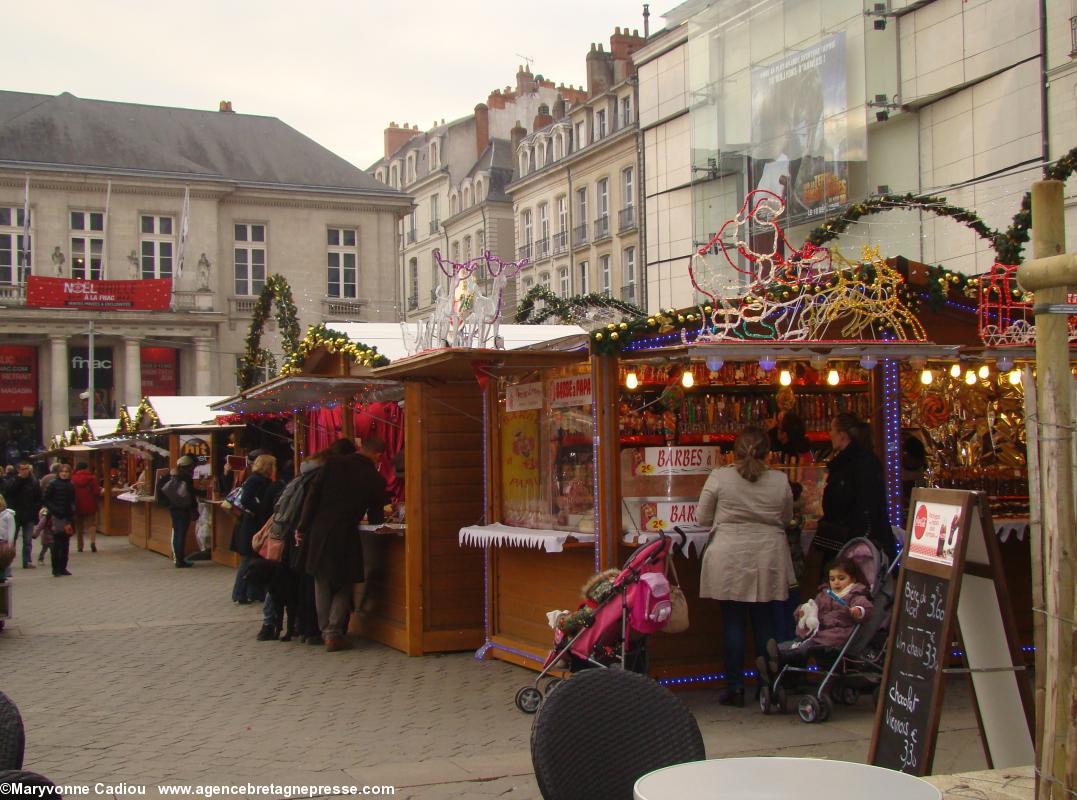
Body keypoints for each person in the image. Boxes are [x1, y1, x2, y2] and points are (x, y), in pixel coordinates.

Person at [696, 426, 795, 706]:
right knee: (765, 621)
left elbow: (702, 517)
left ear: (734, 451)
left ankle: (735, 686)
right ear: (768, 452)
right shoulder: (779, 480)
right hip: (767, 554)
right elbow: (787, 517)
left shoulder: (720, 477)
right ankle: (768, 683)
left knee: (733, 622)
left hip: (730, 555)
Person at [296, 436, 387, 652]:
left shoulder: (333, 464)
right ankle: (333, 633)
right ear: (378, 456)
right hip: (346, 534)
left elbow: (313, 496)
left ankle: (324, 628)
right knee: (344, 584)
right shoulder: (375, 479)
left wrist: (303, 526)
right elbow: (376, 518)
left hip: (320, 531)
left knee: (322, 581)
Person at [761, 556, 874, 676]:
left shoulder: (855, 595)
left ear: (853, 579)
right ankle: (775, 657)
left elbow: (866, 608)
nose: (836, 582)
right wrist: (803, 612)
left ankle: (779, 659)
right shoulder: (824, 595)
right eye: (832, 579)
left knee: (807, 647)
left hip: (837, 635)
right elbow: (813, 607)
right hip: (819, 632)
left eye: (841, 578)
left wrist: (858, 611)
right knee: (797, 642)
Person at [815, 413, 894, 560]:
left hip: (855, 541)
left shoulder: (857, 464)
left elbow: (862, 504)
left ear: (842, 435)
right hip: (852, 538)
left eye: (832, 430)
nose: (829, 434)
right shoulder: (858, 461)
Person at [229, 454, 281, 603]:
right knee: (248, 560)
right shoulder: (256, 480)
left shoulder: (257, 479)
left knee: (252, 559)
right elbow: (246, 500)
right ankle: (240, 593)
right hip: (252, 525)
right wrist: (260, 510)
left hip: (252, 525)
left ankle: (251, 592)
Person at [164, 456, 201, 568]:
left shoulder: (172, 475)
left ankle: (178, 559)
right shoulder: (186, 477)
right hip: (183, 509)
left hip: (173, 508)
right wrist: (194, 509)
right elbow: (190, 495)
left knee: (177, 533)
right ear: (189, 466)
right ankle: (180, 560)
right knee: (181, 534)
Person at [4, 461, 41, 569]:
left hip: (29, 515)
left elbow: (38, 497)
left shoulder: (33, 482)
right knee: (12, 539)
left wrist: (35, 509)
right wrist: (19, 480)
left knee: (27, 540)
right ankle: (8, 561)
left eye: (27, 469)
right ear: (18, 470)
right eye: (23, 469)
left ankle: (27, 561)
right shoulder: (13, 480)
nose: (25, 471)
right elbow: (9, 492)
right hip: (15, 514)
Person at [42, 463, 76, 576]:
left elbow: (72, 500)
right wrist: (54, 510)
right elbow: (46, 499)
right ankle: (55, 569)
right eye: (62, 472)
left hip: (67, 517)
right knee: (56, 544)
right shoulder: (53, 484)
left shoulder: (71, 485)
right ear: (59, 473)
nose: (64, 474)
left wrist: (72, 512)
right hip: (56, 516)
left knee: (65, 544)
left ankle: (63, 567)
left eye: (66, 472)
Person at [71, 461, 101, 553]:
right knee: (91, 524)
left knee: (79, 526)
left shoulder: (73, 478)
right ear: (86, 468)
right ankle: (92, 542)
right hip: (90, 503)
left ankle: (80, 546)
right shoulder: (92, 478)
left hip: (77, 504)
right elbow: (96, 492)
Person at [0, 495, 16, 582]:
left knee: (4, 559)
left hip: (4, 541)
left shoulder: (8, 515)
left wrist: (10, 543)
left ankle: (5, 574)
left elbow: (11, 529)